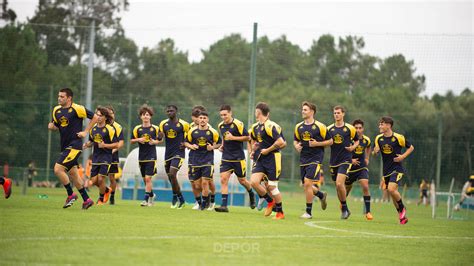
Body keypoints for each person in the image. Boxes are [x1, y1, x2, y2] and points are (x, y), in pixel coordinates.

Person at [48, 88, 97, 209]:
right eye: (58, 96)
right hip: (64, 146)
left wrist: (86, 131)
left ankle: (70, 194)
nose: (59, 98)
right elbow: (56, 125)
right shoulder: (56, 110)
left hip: (74, 146)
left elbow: (95, 117)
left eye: (62, 96)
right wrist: (52, 127)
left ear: (69, 98)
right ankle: (87, 199)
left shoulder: (77, 108)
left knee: (58, 169)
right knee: (73, 174)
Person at [293, 101, 332, 219]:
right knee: (306, 185)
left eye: (305, 109)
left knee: (308, 183)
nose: (302, 111)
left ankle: (308, 212)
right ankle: (321, 195)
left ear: (312, 112)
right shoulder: (298, 127)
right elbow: (295, 140)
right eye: (302, 109)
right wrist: (296, 146)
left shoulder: (320, 126)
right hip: (303, 158)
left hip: (315, 158)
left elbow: (330, 141)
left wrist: (317, 144)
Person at [373, 116, 414, 224]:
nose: (379, 126)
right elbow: (374, 152)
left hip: (397, 168)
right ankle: (401, 216)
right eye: (380, 124)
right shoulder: (378, 138)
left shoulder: (398, 137)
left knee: (391, 189)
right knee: (392, 194)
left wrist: (402, 157)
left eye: (382, 124)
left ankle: (403, 208)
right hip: (386, 171)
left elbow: (411, 147)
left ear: (388, 125)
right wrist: (375, 151)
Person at [215, 104, 256, 212]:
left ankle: (251, 192)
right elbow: (224, 137)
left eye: (225, 114)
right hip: (226, 157)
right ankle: (224, 206)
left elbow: (248, 137)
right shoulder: (221, 126)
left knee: (242, 181)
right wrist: (222, 145)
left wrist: (233, 138)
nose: (223, 117)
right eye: (221, 115)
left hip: (238, 158)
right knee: (223, 180)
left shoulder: (238, 124)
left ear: (230, 113)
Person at [250, 102, 286, 220]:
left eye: (256, 111)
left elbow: (281, 142)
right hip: (260, 159)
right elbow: (253, 140)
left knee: (272, 187)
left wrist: (268, 150)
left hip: (272, 159)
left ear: (259, 112)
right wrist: (253, 149)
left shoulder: (270, 126)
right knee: (254, 182)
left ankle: (280, 212)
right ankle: (270, 201)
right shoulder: (256, 127)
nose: (255, 113)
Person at [327, 106, 359, 219]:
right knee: (337, 186)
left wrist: (352, 148)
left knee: (340, 183)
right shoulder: (329, 128)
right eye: (335, 113)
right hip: (333, 161)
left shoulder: (350, 128)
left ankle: (345, 209)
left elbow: (357, 140)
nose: (336, 115)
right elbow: (326, 141)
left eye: (338, 113)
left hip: (345, 160)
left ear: (343, 114)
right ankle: (344, 208)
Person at [185, 111, 221, 210]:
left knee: (205, 182)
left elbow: (219, 143)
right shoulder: (192, 131)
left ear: (207, 120)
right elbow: (186, 142)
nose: (202, 120)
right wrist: (191, 146)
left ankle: (204, 205)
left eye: (204, 118)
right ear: (198, 119)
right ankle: (206, 198)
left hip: (207, 160)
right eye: (200, 118)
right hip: (195, 160)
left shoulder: (213, 132)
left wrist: (212, 147)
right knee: (197, 185)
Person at [83, 107, 118, 205]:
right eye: (96, 115)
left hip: (106, 157)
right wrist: (87, 145)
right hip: (96, 157)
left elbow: (116, 144)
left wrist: (105, 145)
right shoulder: (93, 129)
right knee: (93, 181)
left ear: (105, 117)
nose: (97, 117)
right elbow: (91, 141)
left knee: (101, 178)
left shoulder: (110, 129)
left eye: (100, 115)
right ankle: (106, 190)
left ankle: (101, 199)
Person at [130, 105, 162, 207]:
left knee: (148, 178)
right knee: (145, 179)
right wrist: (138, 140)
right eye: (143, 115)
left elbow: (160, 139)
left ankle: (145, 199)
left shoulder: (155, 128)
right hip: (141, 157)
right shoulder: (137, 129)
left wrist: (154, 142)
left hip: (152, 156)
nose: (145, 116)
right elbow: (131, 140)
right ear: (141, 117)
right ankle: (152, 195)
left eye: (147, 115)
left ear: (150, 117)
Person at [159, 105, 189, 209]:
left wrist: (186, 143)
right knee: (171, 177)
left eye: (171, 111)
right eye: (168, 111)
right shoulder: (163, 124)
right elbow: (160, 136)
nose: (169, 112)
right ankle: (180, 198)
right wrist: (159, 136)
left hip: (179, 153)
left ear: (176, 111)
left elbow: (190, 136)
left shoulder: (184, 124)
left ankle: (175, 197)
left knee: (172, 174)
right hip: (168, 154)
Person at [345, 119, 373, 220]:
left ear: (363, 129)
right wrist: (350, 160)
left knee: (365, 186)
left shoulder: (366, 140)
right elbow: (343, 151)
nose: (358, 130)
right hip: (349, 168)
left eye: (360, 128)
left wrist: (367, 158)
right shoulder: (349, 139)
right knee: (346, 189)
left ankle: (368, 212)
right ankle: (343, 205)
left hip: (361, 167)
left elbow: (369, 147)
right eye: (356, 128)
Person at [107, 105, 124, 205]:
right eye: (108, 113)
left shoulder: (118, 127)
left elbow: (121, 143)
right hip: (100, 155)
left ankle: (112, 196)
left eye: (111, 113)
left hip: (112, 156)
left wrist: (113, 150)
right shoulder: (101, 125)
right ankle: (104, 192)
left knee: (111, 178)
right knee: (96, 178)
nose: (110, 115)